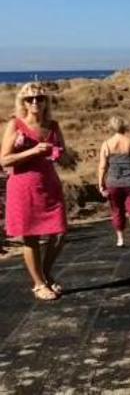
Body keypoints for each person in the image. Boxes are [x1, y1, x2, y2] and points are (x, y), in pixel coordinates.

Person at [0, 82, 68, 301]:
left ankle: (46, 272)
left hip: (49, 184)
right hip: (23, 186)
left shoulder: (53, 125)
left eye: (39, 98)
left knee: (60, 233)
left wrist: (59, 154)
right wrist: (31, 151)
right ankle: (38, 284)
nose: (35, 102)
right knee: (31, 237)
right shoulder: (15, 125)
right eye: (30, 99)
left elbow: (65, 157)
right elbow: (4, 160)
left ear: (46, 101)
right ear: (23, 102)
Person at [97, 116, 130, 248]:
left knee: (117, 210)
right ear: (125, 127)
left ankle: (120, 239)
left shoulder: (106, 144)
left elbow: (103, 166)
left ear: (111, 128)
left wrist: (101, 183)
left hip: (113, 183)